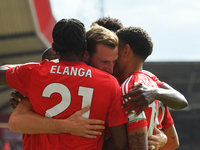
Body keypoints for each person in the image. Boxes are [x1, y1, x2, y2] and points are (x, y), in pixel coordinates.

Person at [0, 18, 128, 150]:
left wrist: (23, 78)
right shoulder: (110, 83)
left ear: (54, 48)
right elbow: (120, 143)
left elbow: (2, 73)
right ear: (85, 47)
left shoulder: (35, 73)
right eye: (105, 62)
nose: (110, 69)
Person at [113, 26, 180, 150]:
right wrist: (162, 139)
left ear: (126, 51)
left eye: (114, 48)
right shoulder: (151, 81)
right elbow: (172, 143)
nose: (112, 55)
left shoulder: (131, 87)